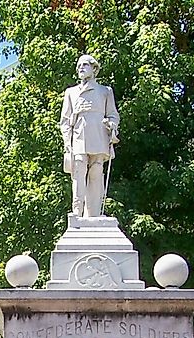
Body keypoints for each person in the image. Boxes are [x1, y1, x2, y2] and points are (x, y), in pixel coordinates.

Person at [59, 54, 120, 218]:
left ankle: (93, 213)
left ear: (94, 69)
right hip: (79, 137)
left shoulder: (105, 91)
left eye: (84, 65)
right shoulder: (71, 92)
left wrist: (112, 125)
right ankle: (77, 211)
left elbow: (113, 115)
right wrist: (67, 142)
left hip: (98, 137)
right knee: (78, 172)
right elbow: (65, 121)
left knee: (96, 173)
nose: (80, 68)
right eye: (78, 65)